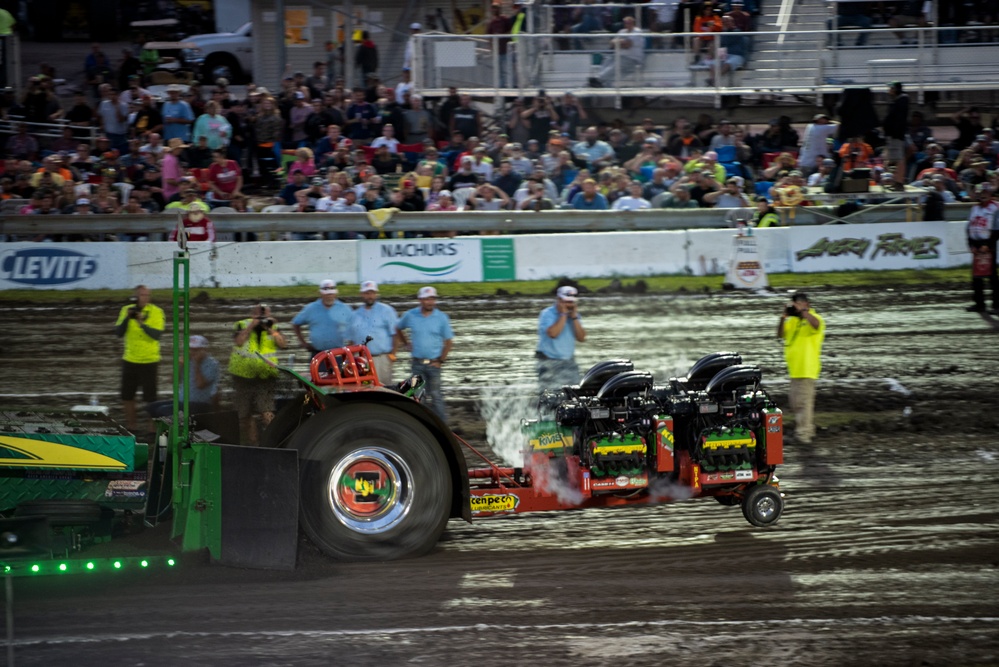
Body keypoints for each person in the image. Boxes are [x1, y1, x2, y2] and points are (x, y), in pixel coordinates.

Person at [228, 303, 288, 445]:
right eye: (259, 315)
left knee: (266, 410)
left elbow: (283, 345)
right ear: (252, 314)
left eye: (265, 315)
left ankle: (274, 441)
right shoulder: (241, 324)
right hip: (242, 375)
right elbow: (238, 342)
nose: (262, 318)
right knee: (244, 413)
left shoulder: (273, 327)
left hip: (266, 376)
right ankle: (251, 442)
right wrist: (251, 326)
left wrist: (271, 329)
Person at [396, 286, 455, 421]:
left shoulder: (441, 318)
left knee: (436, 396)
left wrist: (441, 360)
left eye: (432, 299)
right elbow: (398, 328)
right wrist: (406, 343)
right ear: (420, 300)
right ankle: (419, 423)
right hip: (417, 364)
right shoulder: (410, 315)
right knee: (417, 396)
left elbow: (449, 341)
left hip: (434, 365)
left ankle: (442, 426)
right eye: (426, 299)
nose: (429, 302)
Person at [114, 285, 165, 433]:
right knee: (127, 395)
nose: (145, 298)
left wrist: (141, 323)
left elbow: (156, 335)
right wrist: (127, 318)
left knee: (150, 397)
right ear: (136, 296)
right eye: (142, 295)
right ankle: (132, 426)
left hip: (150, 360)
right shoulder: (126, 310)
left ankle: (151, 428)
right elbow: (118, 333)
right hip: (130, 359)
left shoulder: (156, 312)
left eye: (147, 295)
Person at [777, 292, 826, 445]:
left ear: (806, 303)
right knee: (796, 402)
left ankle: (804, 435)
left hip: (807, 368)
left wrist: (804, 312)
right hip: (795, 369)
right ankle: (806, 430)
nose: (795, 307)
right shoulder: (793, 321)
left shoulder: (814, 318)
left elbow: (816, 325)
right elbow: (780, 335)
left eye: (798, 304)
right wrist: (783, 318)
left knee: (804, 403)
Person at [147, 335, 220, 418]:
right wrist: (180, 365)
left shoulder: (212, 364)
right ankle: (157, 430)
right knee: (152, 407)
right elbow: (172, 380)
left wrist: (197, 364)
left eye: (196, 350)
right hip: (183, 401)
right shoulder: (187, 361)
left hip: (200, 403)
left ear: (204, 350)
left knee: (163, 410)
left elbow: (200, 385)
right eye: (190, 349)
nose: (192, 352)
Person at [536, 285, 586, 390]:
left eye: (572, 302)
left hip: (569, 362)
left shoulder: (575, 316)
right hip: (548, 362)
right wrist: (563, 315)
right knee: (550, 395)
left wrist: (574, 318)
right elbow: (553, 333)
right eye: (566, 302)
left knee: (574, 392)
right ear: (559, 300)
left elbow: (581, 338)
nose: (569, 305)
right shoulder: (547, 314)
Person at [350, 281, 399, 383]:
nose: (370, 296)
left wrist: (392, 355)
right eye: (367, 293)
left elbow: (396, 333)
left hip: (381, 358)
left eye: (372, 293)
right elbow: (351, 340)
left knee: (384, 389)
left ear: (376, 294)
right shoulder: (355, 314)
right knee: (363, 390)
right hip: (361, 360)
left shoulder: (387, 310)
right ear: (362, 294)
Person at [292, 279, 354, 355]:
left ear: (336, 293)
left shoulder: (344, 308)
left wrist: (350, 345)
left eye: (331, 294)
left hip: (338, 354)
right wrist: (303, 342)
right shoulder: (311, 308)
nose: (329, 297)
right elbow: (295, 323)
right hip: (318, 354)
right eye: (327, 294)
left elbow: (355, 327)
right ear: (320, 293)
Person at [965, 183, 999, 313]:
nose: (983, 195)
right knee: (976, 275)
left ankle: (997, 305)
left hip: (988, 244)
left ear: (990, 193)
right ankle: (979, 304)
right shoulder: (974, 208)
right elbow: (968, 228)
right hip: (976, 243)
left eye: (985, 192)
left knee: (991, 275)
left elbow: (997, 229)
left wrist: (988, 245)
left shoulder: (996, 208)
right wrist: (971, 245)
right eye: (980, 193)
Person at [589, 16, 644, 87]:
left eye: (629, 23)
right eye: (626, 23)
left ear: (633, 23)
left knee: (617, 64)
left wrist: (619, 43)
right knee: (608, 59)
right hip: (619, 56)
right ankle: (603, 82)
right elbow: (612, 43)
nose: (627, 25)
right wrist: (621, 43)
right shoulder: (622, 31)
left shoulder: (637, 32)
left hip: (632, 59)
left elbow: (628, 45)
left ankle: (599, 79)